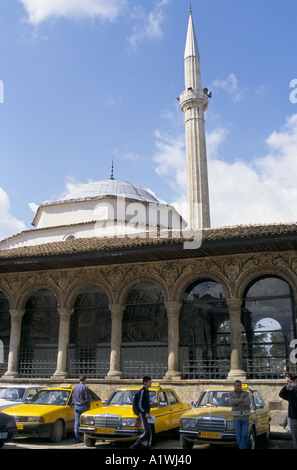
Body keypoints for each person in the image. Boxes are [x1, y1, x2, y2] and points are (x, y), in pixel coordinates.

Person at [130, 376, 152, 449]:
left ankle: (145, 445)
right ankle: (135, 445)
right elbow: (140, 404)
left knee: (148, 431)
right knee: (146, 431)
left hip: (147, 414)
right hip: (143, 414)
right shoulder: (142, 391)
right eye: (149, 382)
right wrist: (145, 412)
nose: (150, 383)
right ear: (145, 382)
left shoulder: (147, 391)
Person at [228, 380, 251, 449]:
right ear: (234, 386)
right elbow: (232, 403)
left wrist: (237, 402)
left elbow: (247, 403)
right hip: (236, 418)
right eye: (237, 385)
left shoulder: (246, 393)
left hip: (245, 417)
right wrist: (241, 399)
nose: (239, 387)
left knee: (244, 435)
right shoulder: (231, 394)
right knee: (239, 436)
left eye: (240, 385)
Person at [279, 374, 297, 448]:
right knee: (295, 440)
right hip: (294, 418)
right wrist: (287, 387)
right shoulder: (291, 392)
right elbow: (281, 394)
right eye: (295, 381)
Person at [72, 375, 90, 443]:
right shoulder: (85, 387)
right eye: (86, 380)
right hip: (83, 406)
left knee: (76, 422)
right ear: (84, 380)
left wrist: (74, 403)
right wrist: (88, 406)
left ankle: (77, 438)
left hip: (76, 406)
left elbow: (73, 397)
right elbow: (87, 398)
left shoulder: (75, 387)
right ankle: (86, 437)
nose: (86, 381)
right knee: (85, 422)